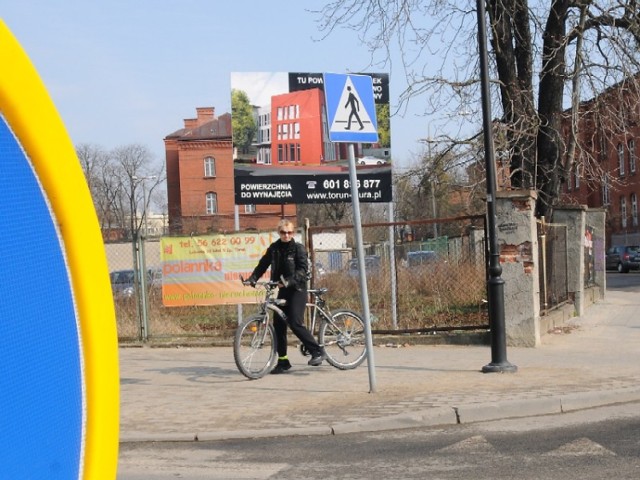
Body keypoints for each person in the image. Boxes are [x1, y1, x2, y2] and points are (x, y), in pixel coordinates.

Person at [247, 219, 325, 374]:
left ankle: (317, 351)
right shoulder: (274, 248)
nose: (286, 235)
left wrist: (289, 281)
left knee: (295, 322)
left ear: (293, 233)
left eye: (289, 232)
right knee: (279, 325)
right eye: (283, 232)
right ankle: (283, 361)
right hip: (282, 289)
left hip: (297, 289)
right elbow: (263, 263)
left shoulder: (298, 249)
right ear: (279, 232)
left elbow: (303, 271)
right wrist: (253, 277)